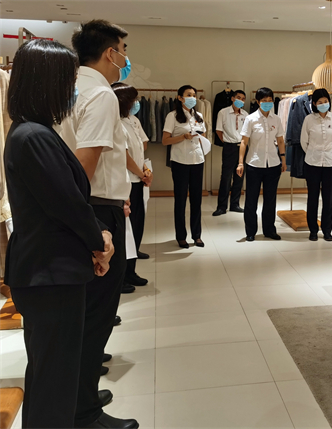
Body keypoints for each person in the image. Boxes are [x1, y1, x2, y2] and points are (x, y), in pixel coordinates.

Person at [5, 39, 115, 429]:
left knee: (51, 374)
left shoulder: (33, 132)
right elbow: (67, 203)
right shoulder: (33, 136)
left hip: (48, 270)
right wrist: (100, 241)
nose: (73, 89)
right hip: (50, 273)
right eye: (69, 80)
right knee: (54, 380)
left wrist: (98, 234)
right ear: (47, 82)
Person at [59, 19, 138, 429]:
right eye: (123, 50)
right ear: (110, 53)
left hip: (82, 205)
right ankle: (85, 412)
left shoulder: (67, 87)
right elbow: (84, 165)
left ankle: (80, 395)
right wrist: (91, 225)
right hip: (95, 208)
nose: (125, 58)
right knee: (97, 314)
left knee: (83, 313)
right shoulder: (102, 94)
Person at [112, 83, 153, 289]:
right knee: (125, 231)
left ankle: (131, 270)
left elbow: (140, 150)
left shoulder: (133, 120)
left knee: (137, 226)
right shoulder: (117, 123)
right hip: (127, 181)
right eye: (133, 100)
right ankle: (122, 276)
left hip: (138, 179)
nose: (136, 103)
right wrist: (140, 173)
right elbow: (125, 155)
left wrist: (145, 170)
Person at [237, 87, 286, 241]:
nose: (267, 103)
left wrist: (283, 159)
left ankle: (269, 230)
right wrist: (240, 163)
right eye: (264, 100)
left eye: (270, 100)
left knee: (270, 199)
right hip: (254, 164)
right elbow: (244, 142)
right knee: (251, 199)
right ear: (258, 102)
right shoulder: (250, 119)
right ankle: (250, 231)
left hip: (273, 164)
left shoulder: (276, 119)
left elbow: (280, 140)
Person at [162, 85, 206, 248]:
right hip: (180, 161)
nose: (192, 98)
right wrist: (183, 137)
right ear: (180, 97)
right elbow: (165, 140)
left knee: (197, 199)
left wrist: (201, 138)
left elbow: (203, 135)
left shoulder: (199, 116)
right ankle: (181, 236)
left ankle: (197, 235)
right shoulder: (172, 116)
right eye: (189, 95)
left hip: (197, 160)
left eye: (194, 95)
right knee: (180, 200)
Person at [300, 88, 332, 241]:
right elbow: (304, 141)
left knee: (328, 198)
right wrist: (314, 152)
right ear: (314, 104)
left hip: (330, 163)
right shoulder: (309, 119)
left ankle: (327, 230)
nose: (324, 104)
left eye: (326, 101)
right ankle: (313, 230)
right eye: (320, 102)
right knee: (312, 197)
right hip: (312, 162)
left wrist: (329, 151)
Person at [213, 90, 248, 216]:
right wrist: (227, 142)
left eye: (243, 99)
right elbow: (218, 130)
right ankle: (222, 206)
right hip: (229, 147)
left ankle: (235, 204)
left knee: (239, 176)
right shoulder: (223, 112)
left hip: (242, 146)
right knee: (226, 177)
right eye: (238, 97)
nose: (241, 100)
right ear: (232, 98)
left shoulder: (246, 114)